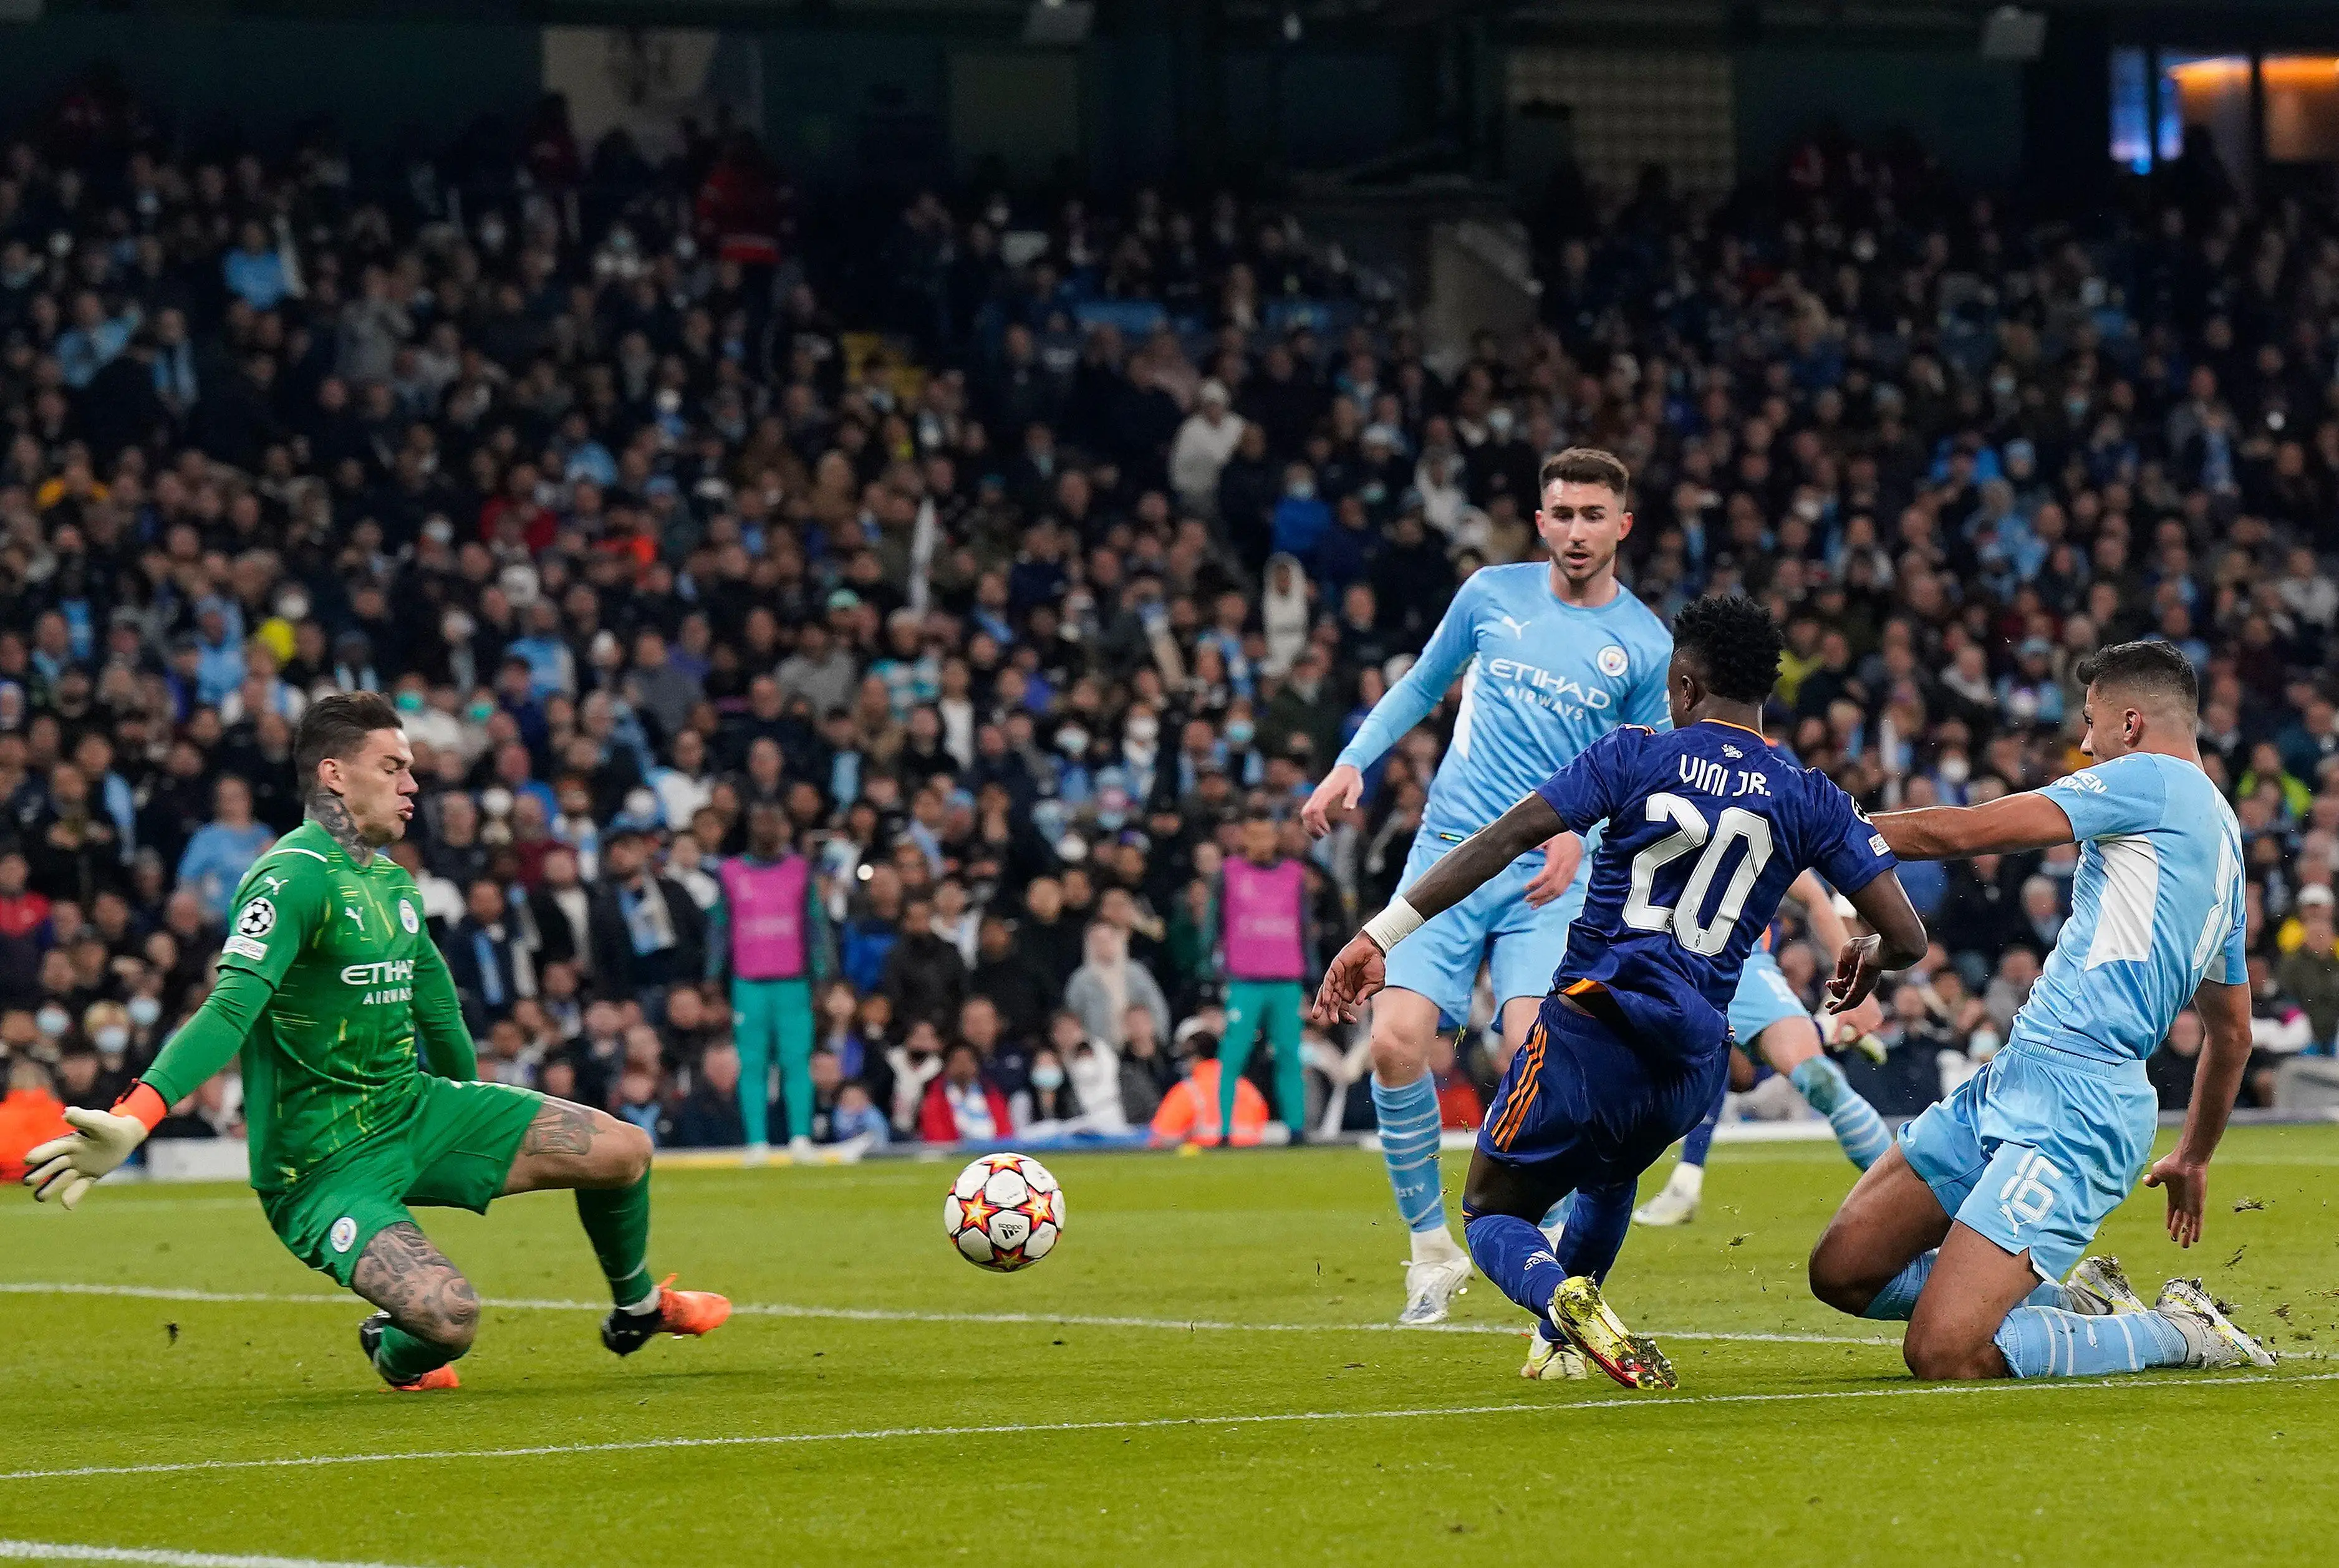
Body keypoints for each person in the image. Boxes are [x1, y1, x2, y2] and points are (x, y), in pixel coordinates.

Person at [21, 693, 730, 1392]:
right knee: (450, 1316)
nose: (412, 783)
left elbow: (440, 1012)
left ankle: (636, 1308)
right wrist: (135, 1116)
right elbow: (228, 1011)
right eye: (392, 766)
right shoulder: (290, 879)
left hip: (412, 1111)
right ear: (334, 774)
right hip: (320, 1166)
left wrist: (473, 1107)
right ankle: (393, 1353)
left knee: (624, 1149)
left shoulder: (392, 883)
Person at [1313, 595, 1927, 1387]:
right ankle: (1565, 1338)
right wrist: (1866, 957)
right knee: (1610, 1174)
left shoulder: (1632, 754)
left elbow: (1502, 841)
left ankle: (1558, 1298)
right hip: (1691, 1062)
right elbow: (1908, 938)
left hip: (1592, 1027)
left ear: (1682, 683)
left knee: (1493, 1212)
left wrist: (1380, 935)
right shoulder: (1810, 795)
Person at [1808, 640, 2277, 1382]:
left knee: (1943, 1353)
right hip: (2020, 1073)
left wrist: (1813, 824)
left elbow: (1964, 830)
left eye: (2089, 722)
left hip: (2081, 1106)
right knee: (1842, 1270)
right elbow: (2234, 1032)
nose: (2083, 742)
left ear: (2130, 724)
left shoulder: (2150, 779)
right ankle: (2076, 1300)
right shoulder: (2221, 845)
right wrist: (2193, 1153)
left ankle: (2178, 1331)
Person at [1300, 446, 1673, 1325]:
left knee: (1530, 1056)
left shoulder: (1645, 644)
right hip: (1446, 859)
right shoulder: (1487, 595)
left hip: (1547, 881)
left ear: (1621, 524)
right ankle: (1429, 1250)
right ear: (1538, 521)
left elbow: (1650, 778)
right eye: (1560, 514)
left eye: (1592, 515)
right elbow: (1421, 684)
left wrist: (1583, 836)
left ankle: (1522, 1232)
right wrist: (1351, 762)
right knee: (1394, 1041)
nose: (1575, 531)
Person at [1630, 873, 1894, 1226]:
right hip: (1650, 955)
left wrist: (1855, 984)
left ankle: (1908, 1201)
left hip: (1739, 958)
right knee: (1730, 1072)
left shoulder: (1769, 819)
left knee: (1818, 1078)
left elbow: (1815, 896)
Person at [718, 804, 831, 1163]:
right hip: (748, 981)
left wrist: (825, 973)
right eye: (761, 818)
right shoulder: (731, 872)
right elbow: (720, 926)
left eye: (775, 819)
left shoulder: (800, 871)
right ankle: (757, 1143)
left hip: (792, 980)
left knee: (796, 1061)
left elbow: (815, 924)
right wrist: (710, 977)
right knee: (752, 1064)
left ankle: (800, 1138)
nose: (768, 826)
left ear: (786, 828)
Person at [1212, 809, 1314, 1142]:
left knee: (1289, 1054)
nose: (1260, 842)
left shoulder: (1295, 875)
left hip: (1286, 978)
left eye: (1266, 834)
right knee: (1232, 1056)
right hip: (1244, 979)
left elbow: (1305, 928)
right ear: (1243, 837)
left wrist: (1312, 976)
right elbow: (1214, 924)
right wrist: (1209, 973)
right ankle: (1224, 1129)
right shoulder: (1228, 874)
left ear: (1275, 837)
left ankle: (1296, 1128)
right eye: (1253, 835)